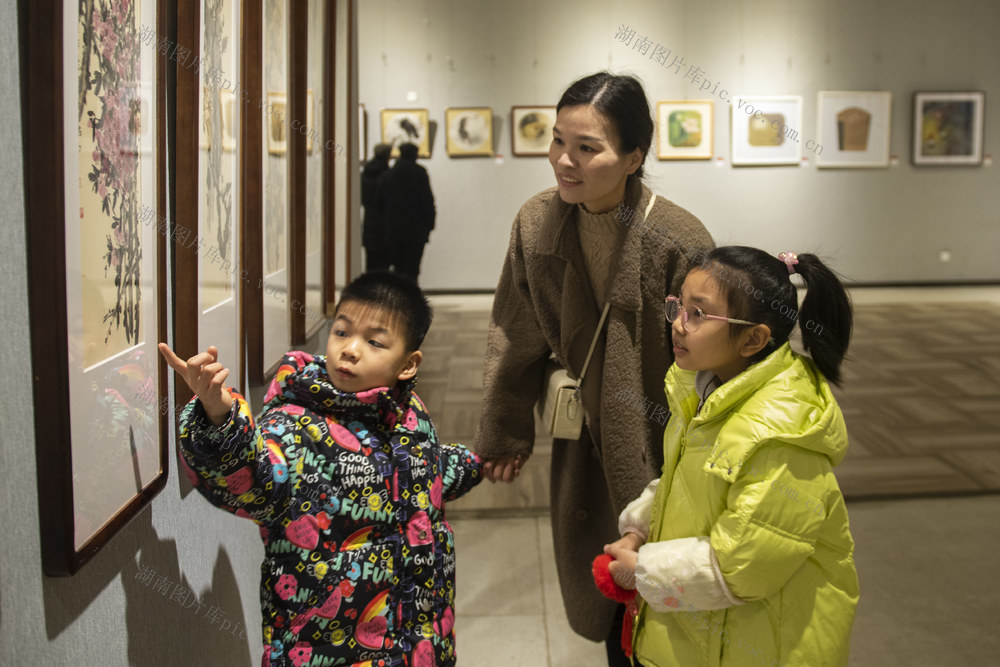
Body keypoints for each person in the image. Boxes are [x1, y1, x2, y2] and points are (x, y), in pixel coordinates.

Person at [474, 71, 715, 666]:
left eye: (588, 148)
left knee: (660, 588)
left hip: (664, 438)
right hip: (581, 432)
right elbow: (514, 326)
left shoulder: (676, 238)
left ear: (634, 157)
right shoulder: (537, 222)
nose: (564, 161)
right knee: (606, 579)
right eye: (557, 141)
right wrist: (505, 428)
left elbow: (714, 356)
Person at [158, 271, 483, 667]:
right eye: (342, 332)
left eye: (374, 341)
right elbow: (252, 478)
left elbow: (426, 472)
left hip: (421, 645)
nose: (350, 349)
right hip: (327, 651)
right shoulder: (296, 426)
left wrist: (479, 461)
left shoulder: (410, 416)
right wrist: (218, 416)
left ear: (408, 365)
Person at [604, 247, 859, 666]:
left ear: (753, 339)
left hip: (763, 645)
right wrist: (639, 528)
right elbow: (686, 482)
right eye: (679, 306)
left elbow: (743, 567)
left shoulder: (780, 433)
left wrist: (644, 569)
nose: (678, 325)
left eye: (698, 315)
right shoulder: (705, 388)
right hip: (708, 632)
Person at [373, 142, 436, 283]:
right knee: (413, 269)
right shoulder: (420, 173)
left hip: (393, 229)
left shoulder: (387, 176)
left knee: (398, 268)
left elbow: (378, 204)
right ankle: (412, 300)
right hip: (416, 230)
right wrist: (430, 224)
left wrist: (385, 224)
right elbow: (427, 201)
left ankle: (400, 301)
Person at [361, 143, 393, 271]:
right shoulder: (387, 175)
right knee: (383, 264)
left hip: (369, 222)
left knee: (371, 262)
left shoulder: (365, 173)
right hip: (383, 223)